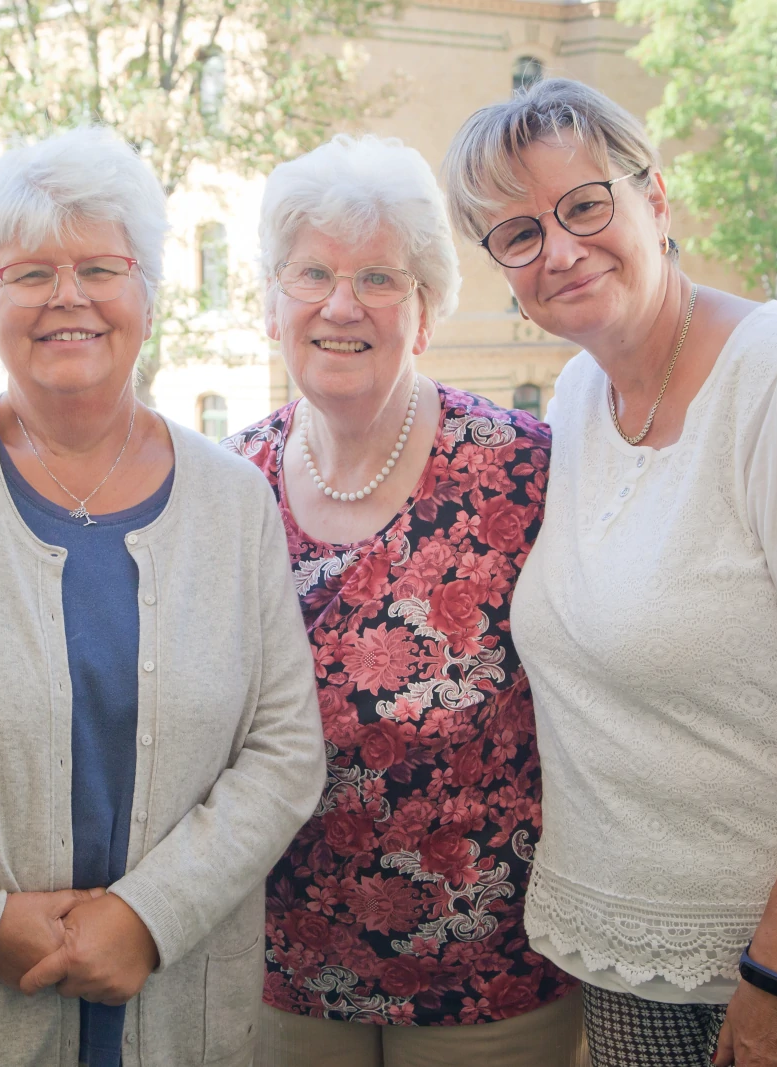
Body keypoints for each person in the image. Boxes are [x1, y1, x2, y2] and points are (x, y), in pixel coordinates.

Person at [440, 77, 777, 1067]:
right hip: (643, 949)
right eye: (515, 234)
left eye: (583, 205)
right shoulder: (577, 394)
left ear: (655, 196)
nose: (557, 249)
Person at [0, 125, 326, 1067]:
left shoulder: (234, 500)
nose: (69, 297)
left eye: (102, 266)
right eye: (29, 274)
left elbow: (285, 749)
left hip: (179, 1004)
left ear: (149, 289)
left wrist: (147, 917)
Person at [224, 134, 584, 1067]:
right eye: (311, 274)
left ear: (424, 312)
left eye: (380, 278)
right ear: (272, 305)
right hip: (278, 968)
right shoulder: (225, 484)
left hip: (489, 981)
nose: (341, 305)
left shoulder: (521, 469)